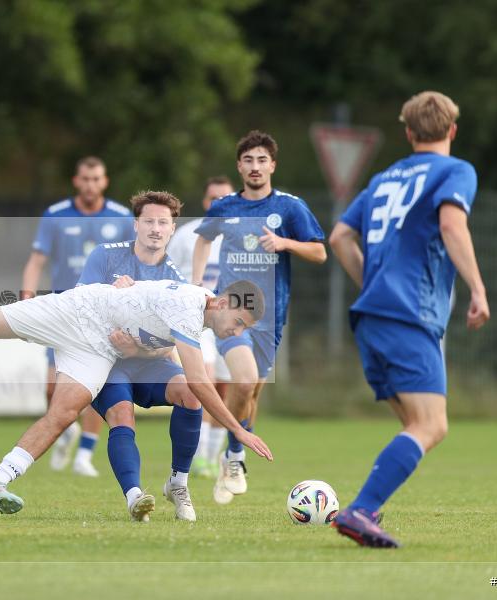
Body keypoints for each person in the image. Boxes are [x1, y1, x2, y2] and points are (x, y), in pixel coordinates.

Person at [0, 276, 274, 517]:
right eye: (238, 323)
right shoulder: (191, 306)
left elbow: (143, 303)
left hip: (96, 347)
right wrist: (238, 431)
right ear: (224, 302)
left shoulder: (195, 311)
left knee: (64, 413)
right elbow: (197, 381)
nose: (236, 333)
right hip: (73, 312)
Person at [328, 91, 489, 548]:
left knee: (416, 424)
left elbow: (340, 236)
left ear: (408, 132)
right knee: (431, 425)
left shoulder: (383, 178)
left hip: (372, 318)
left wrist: (373, 286)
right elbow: (452, 226)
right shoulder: (456, 171)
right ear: (452, 131)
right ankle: (359, 510)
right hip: (409, 315)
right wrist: (477, 288)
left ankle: (368, 509)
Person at [192, 131, 327, 504]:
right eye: (248, 160)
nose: (255, 167)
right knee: (246, 377)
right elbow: (203, 239)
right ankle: (234, 457)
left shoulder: (290, 207)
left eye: (261, 160)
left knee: (250, 390)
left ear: (273, 165)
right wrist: (197, 284)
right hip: (230, 312)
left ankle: (232, 454)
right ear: (239, 166)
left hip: (272, 317)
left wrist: (286, 244)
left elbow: (319, 252)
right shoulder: (223, 206)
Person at [77, 191, 204, 521]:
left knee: (191, 394)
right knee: (121, 414)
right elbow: (78, 309)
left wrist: (139, 348)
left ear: (173, 228)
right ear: (135, 224)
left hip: (149, 362)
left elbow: (171, 343)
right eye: (148, 221)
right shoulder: (105, 257)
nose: (155, 228)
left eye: (163, 222)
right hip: (107, 360)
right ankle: (135, 497)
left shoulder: (174, 279)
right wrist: (111, 295)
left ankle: (178, 484)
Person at [21, 156, 134, 477]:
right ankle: (64, 429)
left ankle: (84, 455)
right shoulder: (56, 215)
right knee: (52, 388)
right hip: (63, 314)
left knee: (95, 386)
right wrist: (27, 297)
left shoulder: (121, 217)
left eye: (96, 179)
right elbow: (36, 260)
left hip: (104, 315)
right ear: (76, 181)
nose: (90, 185)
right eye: (85, 179)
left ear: (105, 181)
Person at [166, 176, 236, 479]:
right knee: (203, 377)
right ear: (205, 202)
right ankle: (198, 456)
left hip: (230, 323)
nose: (218, 203)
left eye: (224, 198)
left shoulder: (241, 236)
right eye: (212, 199)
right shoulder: (185, 236)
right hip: (196, 320)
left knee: (227, 386)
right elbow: (169, 274)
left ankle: (212, 453)